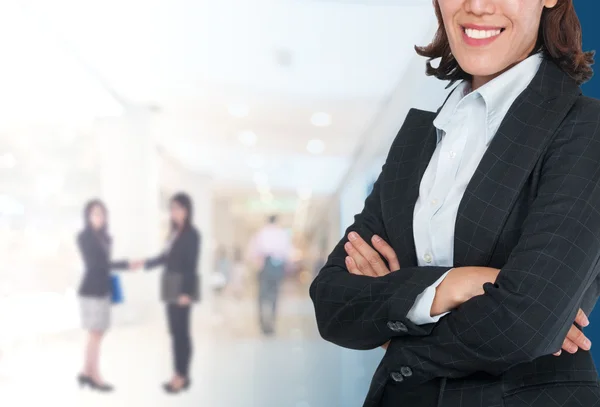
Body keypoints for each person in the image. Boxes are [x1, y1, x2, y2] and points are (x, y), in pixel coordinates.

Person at [310, 1, 600, 406]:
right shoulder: (418, 139)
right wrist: (451, 285)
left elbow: (525, 323)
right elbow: (332, 301)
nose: (477, 6)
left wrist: (396, 333)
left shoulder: (586, 130)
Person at [76, 199, 139, 392]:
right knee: (95, 333)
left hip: (102, 289)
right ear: (87, 216)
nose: (99, 217)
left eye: (102, 213)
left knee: (98, 333)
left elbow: (105, 263)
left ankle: (86, 372)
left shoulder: (104, 237)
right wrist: (126, 264)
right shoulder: (84, 237)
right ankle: (94, 375)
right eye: (95, 213)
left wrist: (126, 264)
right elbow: (97, 265)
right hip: (91, 290)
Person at [143, 192, 201, 394]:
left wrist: (187, 293)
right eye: (172, 209)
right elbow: (164, 258)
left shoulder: (192, 234)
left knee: (182, 334)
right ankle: (178, 373)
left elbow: (191, 265)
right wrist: (145, 263)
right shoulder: (173, 233)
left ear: (186, 210)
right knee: (174, 333)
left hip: (182, 288)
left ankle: (182, 375)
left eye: (177, 208)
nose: (173, 213)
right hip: (169, 285)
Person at [249, 215, 291, 336]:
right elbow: (286, 253)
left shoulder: (261, 233)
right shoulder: (282, 234)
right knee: (274, 296)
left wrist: (258, 264)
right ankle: (271, 322)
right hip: (277, 266)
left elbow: (253, 252)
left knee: (262, 296)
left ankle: (262, 322)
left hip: (265, 265)